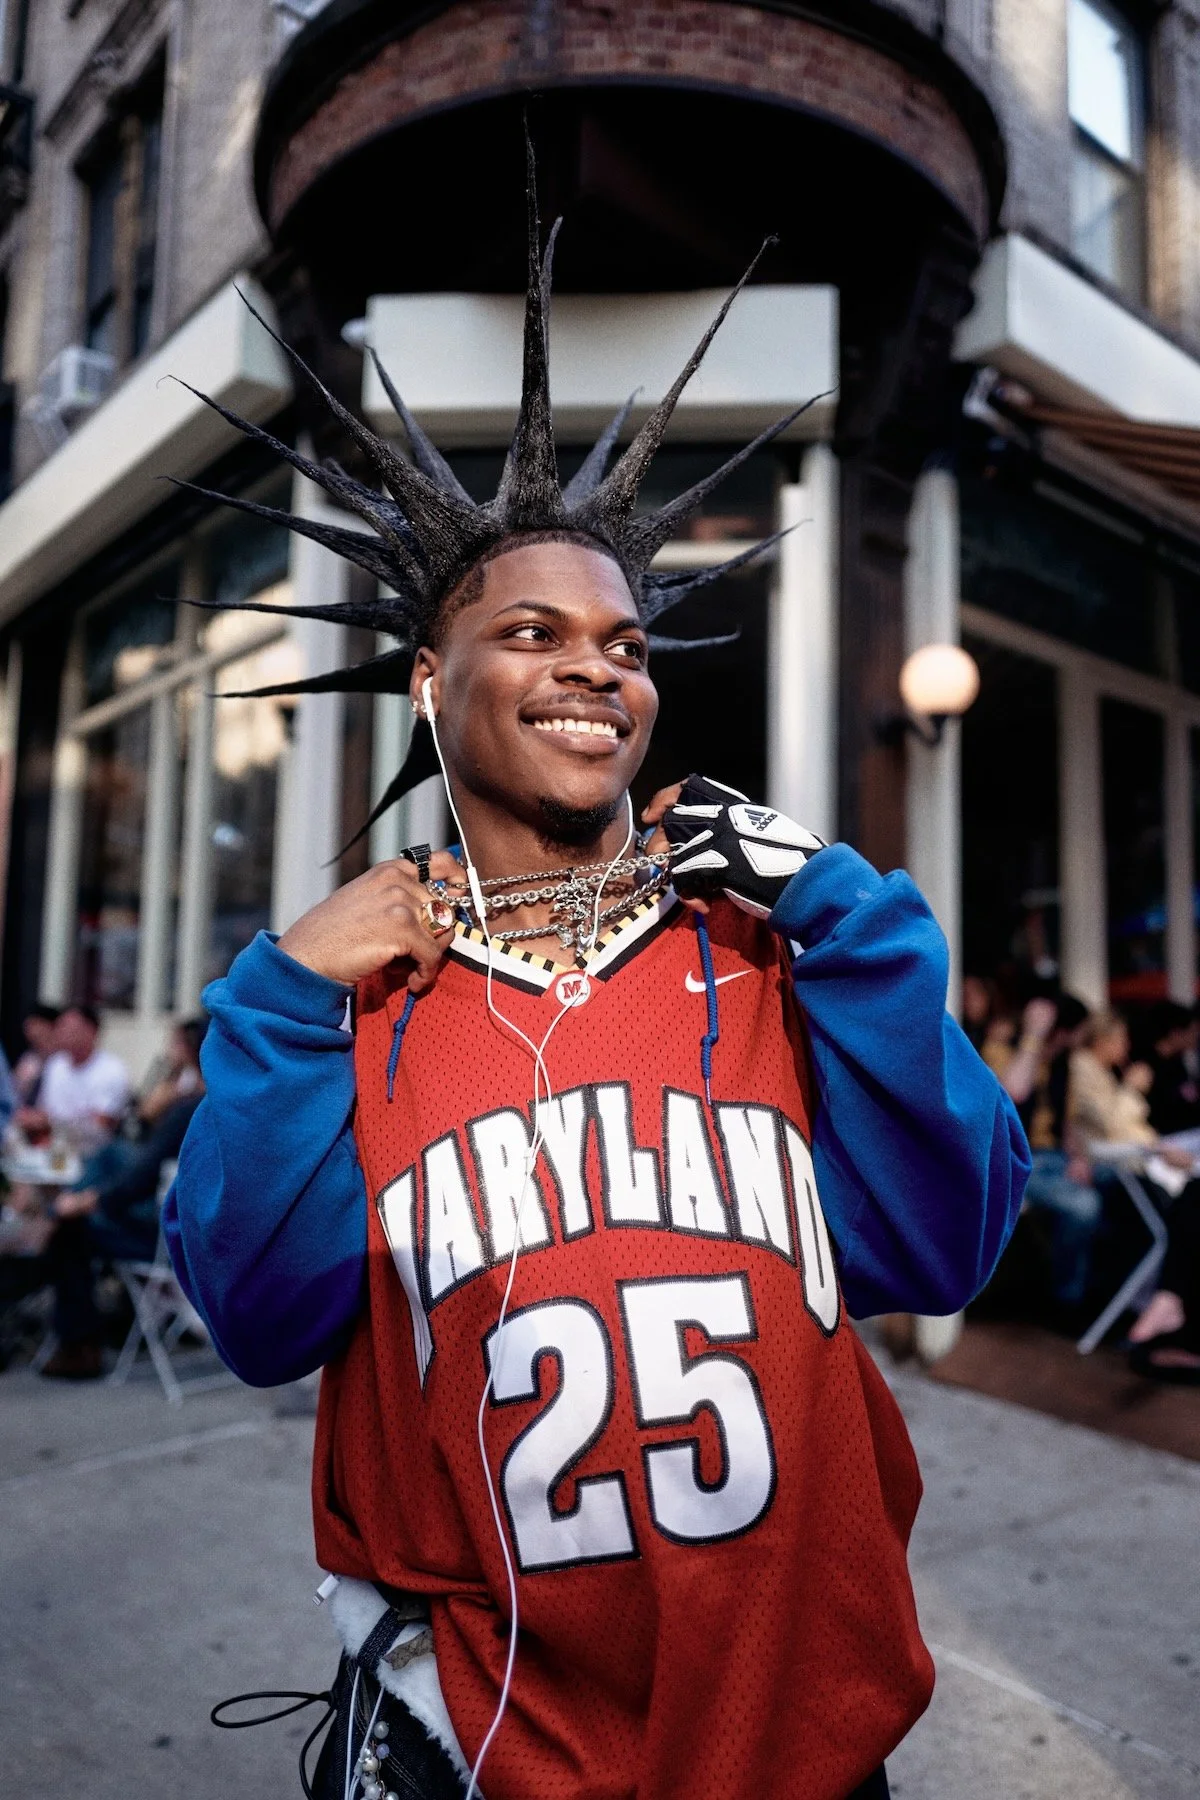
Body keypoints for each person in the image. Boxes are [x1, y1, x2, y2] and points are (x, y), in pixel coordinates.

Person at [166, 189, 1029, 1800]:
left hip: (807, 1743)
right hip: (495, 1748)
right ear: (432, 684)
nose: (598, 668)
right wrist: (280, 1001)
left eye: (627, 646)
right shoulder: (360, 1007)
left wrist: (845, 908)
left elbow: (948, 1241)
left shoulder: (767, 958)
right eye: (535, 631)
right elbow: (261, 1320)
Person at [1, 1018, 208, 1380]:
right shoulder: (196, 1101)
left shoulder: (190, 1109)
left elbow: (140, 1172)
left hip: (168, 1239)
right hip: (182, 1226)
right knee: (108, 1160)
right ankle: (55, 1219)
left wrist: (89, 1202)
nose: (167, 1050)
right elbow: (141, 1124)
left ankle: (79, 1346)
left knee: (71, 1231)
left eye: (175, 1044)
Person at [998, 993, 1098, 1311]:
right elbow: (1014, 1092)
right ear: (1065, 1031)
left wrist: (1080, 1159)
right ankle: (1067, 1299)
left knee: (1123, 1179)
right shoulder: (1006, 1049)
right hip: (1017, 1161)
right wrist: (1033, 1037)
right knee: (1085, 1206)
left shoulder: (1063, 1065)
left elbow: (1068, 1124)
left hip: (1056, 1157)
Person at [16, 1004, 130, 1154]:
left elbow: (100, 1126)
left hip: (94, 1153)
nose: (62, 1033)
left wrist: (49, 1122)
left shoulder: (112, 1069)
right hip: (53, 1148)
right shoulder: (55, 1064)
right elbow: (43, 1111)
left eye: (70, 1029)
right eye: (61, 1027)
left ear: (91, 1031)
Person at [1142, 1000, 1200, 1137]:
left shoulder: (1178, 1063)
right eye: (1192, 1031)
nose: (1196, 1037)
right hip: (1164, 1138)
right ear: (1175, 1033)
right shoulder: (1147, 1068)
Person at [12, 1002, 60, 1105]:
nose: (28, 1029)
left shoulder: (63, 1058)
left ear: (49, 1025)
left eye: (34, 1024)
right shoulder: (28, 1059)